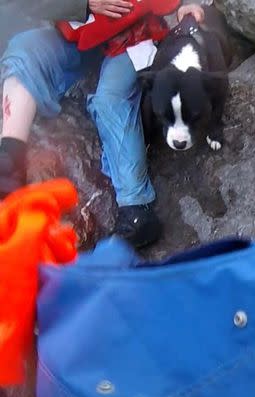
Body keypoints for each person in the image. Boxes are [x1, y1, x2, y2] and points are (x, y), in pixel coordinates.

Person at [0, 0, 207, 248]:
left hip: (138, 34)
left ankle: (136, 207)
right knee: (24, 52)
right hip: (80, 31)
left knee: (110, 99)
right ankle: (9, 164)